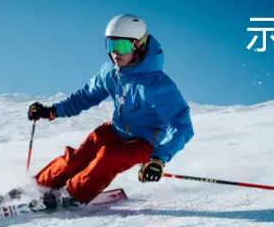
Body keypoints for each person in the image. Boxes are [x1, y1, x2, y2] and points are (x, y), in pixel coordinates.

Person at [27, 14, 195, 209]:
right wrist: (52, 111)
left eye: (122, 46)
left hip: (147, 142)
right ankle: (37, 186)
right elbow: (85, 96)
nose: (115, 52)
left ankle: (71, 195)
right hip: (116, 130)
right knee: (78, 158)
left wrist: (158, 158)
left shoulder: (157, 85)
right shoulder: (110, 72)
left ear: (138, 45)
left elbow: (181, 125)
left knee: (109, 157)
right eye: (110, 45)